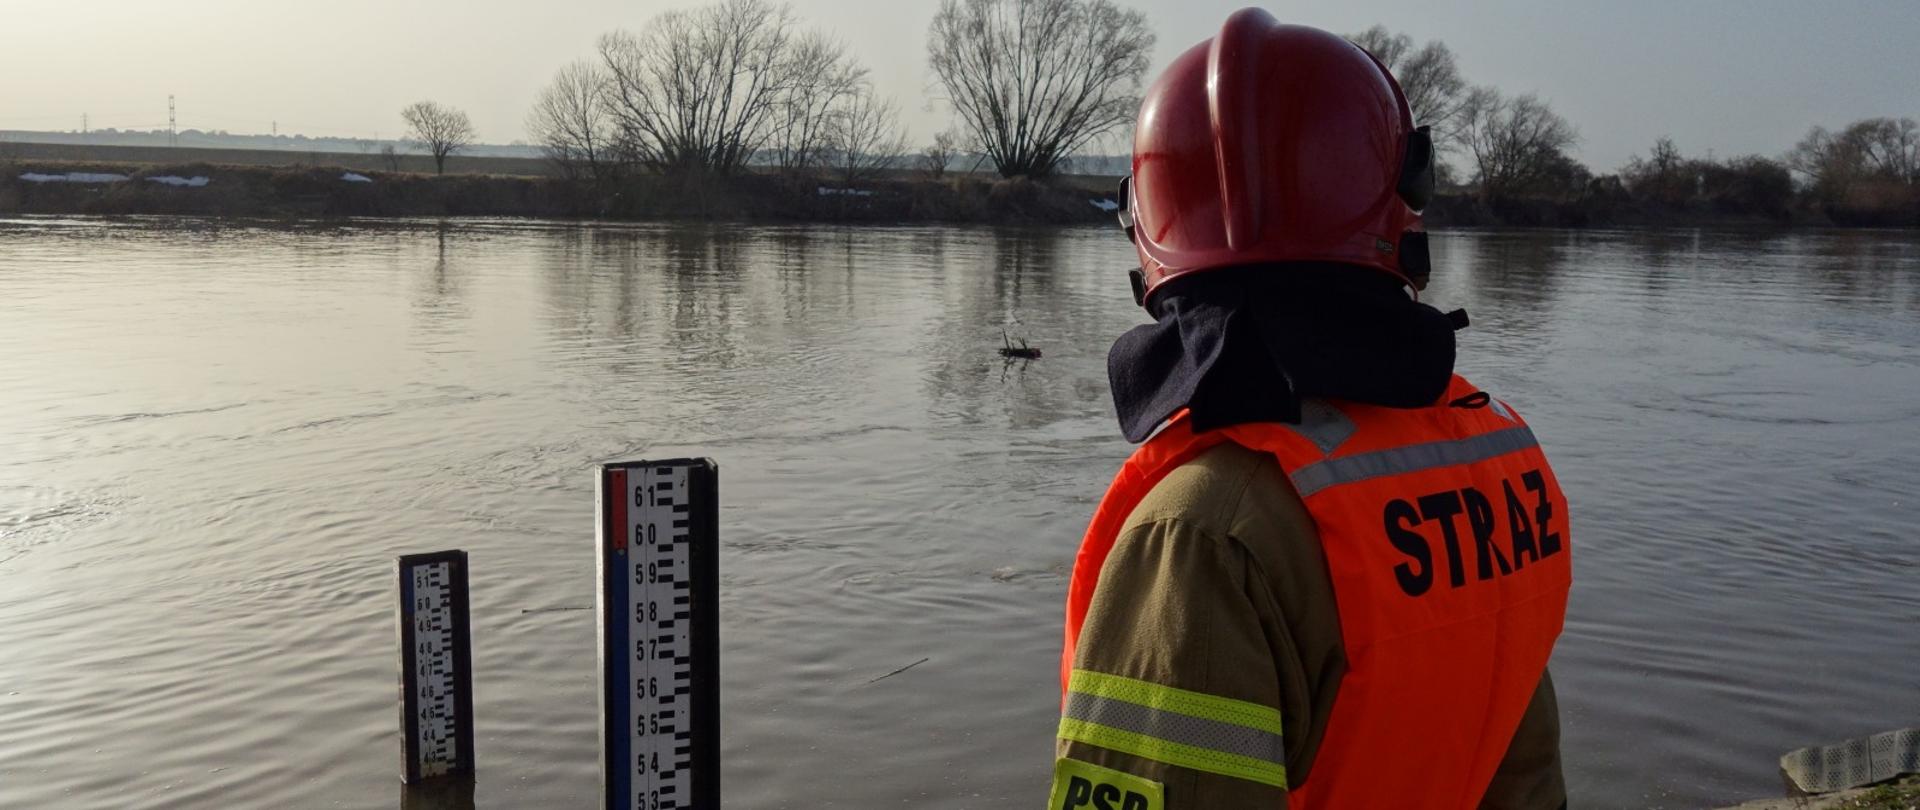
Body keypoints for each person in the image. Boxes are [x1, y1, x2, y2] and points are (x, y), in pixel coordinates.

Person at [1051, 9, 1573, 810]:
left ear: (1150, 226)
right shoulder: (1500, 464)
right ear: (1401, 204)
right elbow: (1528, 776)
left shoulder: (1201, 534)